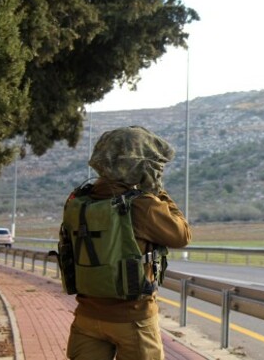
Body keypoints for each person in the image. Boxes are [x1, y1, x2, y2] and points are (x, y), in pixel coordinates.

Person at [66, 126, 191, 360]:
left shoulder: (79, 201)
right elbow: (182, 234)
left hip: (86, 317)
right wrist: (157, 192)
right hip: (133, 321)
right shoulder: (141, 205)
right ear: (139, 166)